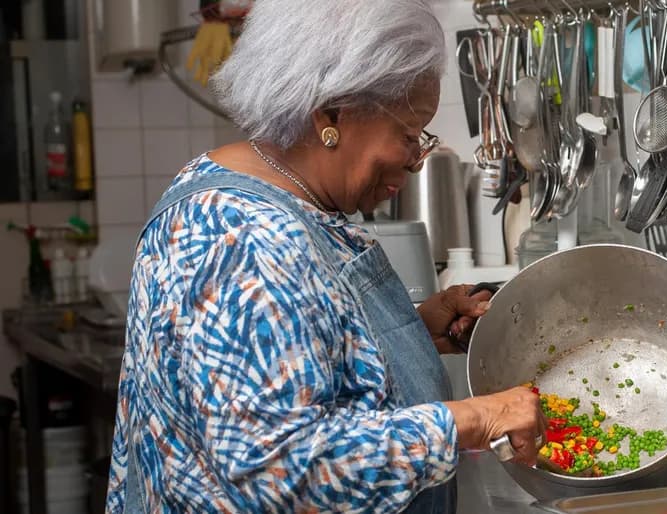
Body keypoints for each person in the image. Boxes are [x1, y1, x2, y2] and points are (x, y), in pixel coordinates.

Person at [104, 0, 546, 512]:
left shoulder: (269, 194)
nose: (417, 158)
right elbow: (282, 468)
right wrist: (476, 419)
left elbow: (288, 351)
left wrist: (409, 331)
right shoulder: (244, 238)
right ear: (331, 114)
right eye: (407, 134)